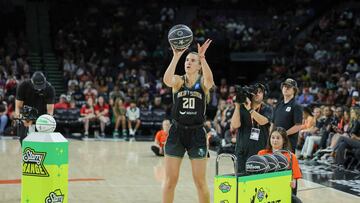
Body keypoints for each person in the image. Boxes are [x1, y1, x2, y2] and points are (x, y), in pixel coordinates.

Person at [162, 39, 214, 203]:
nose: (188, 62)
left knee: (200, 182)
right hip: (177, 132)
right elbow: (167, 80)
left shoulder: (203, 83)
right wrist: (176, 56)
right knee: (170, 181)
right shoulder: (178, 81)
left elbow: (210, 80)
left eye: (193, 60)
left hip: (197, 133)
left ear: (199, 66)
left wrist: (203, 58)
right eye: (187, 60)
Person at [230, 83, 273, 173]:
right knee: (240, 181)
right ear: (251, 94)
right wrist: (237, 106)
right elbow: (235, 125)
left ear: (264, 95)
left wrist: (250, 109)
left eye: (260, 92)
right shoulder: (241, 108)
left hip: (260, 152)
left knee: (258, 182)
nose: (257, 94)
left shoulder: (267, 109)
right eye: (255, 92)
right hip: (242, 151)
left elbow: (263, 121)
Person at [258, 127, 302, 203]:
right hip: (265, 190)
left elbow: (294, 179)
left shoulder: (291, 156)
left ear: (284, 140)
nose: (275, 140)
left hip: (283, 190)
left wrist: (293, 182)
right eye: (273, 137)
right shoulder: (262, 153)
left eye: (278, 138)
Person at [15, 71, 55, 144]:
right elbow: (18, 107)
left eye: (41, 86)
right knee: (24, 142)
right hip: (26, 116)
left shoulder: (49, 88)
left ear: (45, 80)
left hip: (42, 118)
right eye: (37, 86)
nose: (39, 89)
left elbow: (50, 112)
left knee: (42, 143)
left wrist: (47, 123)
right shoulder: (23, 86)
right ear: (32, 81)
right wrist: (21, 118)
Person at [272, 78, 303, 152]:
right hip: (276, 142)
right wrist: (271, 136)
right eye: (284, 86)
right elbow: (273, 123)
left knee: (286, 163)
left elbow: (298, 126)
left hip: (289, 143)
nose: (286, 88)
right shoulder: (279, 104)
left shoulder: (296, 105)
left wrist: (283, 135)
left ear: (294, 90)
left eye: (289, 87)